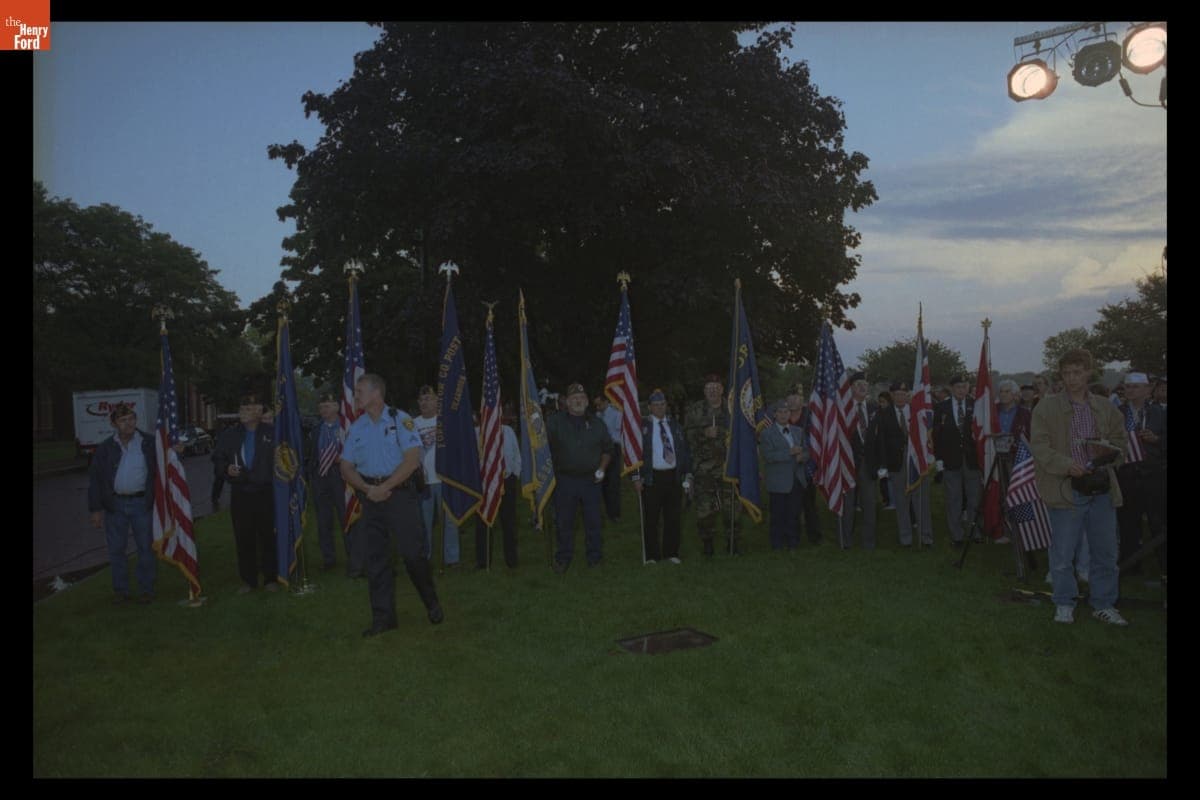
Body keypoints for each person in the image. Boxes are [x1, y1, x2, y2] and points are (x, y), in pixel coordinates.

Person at [1030, 349, 1129, 626]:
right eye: (1066, 373)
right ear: (1060, 375)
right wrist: (1066, 464)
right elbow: (1039, 446)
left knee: (1106, 551)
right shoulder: (1046, 408)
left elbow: (1122, 444)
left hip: (1100, 487)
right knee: (1063, 552)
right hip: (1067, 487)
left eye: (1077, 372)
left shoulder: (1105, 407)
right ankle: (1064, 602)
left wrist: (1107, 452)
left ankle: (1104, 603)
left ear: (1088, 372)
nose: (1072, 379)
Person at [340, 373, 443, 636]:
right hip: (370, 496)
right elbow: (346, 466)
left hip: (399, 496)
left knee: (412, 554)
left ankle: (431, 601)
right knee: (376, 559)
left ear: (376, 394)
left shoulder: (401, 419)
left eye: (360, 390)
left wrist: (384, 487)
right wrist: (367, 489)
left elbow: (411, 461)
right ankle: (384, 618)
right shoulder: (357, 427)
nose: (356, 396)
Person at [87, 403, 158, 604]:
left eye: (131, 419)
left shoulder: (149, 443)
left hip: (141, 503)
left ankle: (146, 589)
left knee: (145, 547)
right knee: (117, 549)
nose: (128, 424)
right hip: (115, 505)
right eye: (123, 420)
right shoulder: (105, 448)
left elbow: (167, 462)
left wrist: (177, 450)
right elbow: (96, 480)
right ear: (114, 424)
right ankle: (121, 591)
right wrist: (95, 509)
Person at [212, 393, 279, 594]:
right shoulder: (230, 434)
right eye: (242, 409)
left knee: (268, 536)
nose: (243, 413)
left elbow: (286, 459)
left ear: (259, 411)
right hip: (241, 493)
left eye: (249, 409)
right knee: (244, 537)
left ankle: (270, 578)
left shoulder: (273, 432)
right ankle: (249, 580)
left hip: (266, 492)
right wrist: (226, 470)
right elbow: (218, 459)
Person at [546, 382, 613, 572]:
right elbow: (542, 450)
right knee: (564, 522)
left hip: (591, 481)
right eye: (574, 398)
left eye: (582, 398)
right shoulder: (554, 422)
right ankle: (563, 558)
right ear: (567, 402)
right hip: (564, 480)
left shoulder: (598, 424)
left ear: (587, 402)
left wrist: (602, 468)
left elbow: (608, 450)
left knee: (594, 522)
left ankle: (595, 558)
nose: (578, 401)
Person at [1114, 372, 1167, 576]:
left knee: (1158, 522)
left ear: (1147, 390)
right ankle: (1130, 567)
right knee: (1128, 523)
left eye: (1136, 387)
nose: (1131, 390)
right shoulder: (1117, 413)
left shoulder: (1159, 413)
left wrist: (1156, 440)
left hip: (1153, 476)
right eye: (1127, 387)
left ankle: (1163, 565)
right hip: (1126, 476)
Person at [306, 392, 365, 576]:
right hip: (321, 477)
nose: (323, 410)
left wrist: (347, 459)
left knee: (346, 517)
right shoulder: (316, 429)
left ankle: (354, 558)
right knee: (324, 521)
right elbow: (310, 454)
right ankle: (328, 559)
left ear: (337, 407)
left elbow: (359, 450)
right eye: (321, 407)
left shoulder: (347, 426)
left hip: (341, 477)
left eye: (327, 406)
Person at [869, 381, 932, 547]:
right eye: (897, 394)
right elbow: (880, 441)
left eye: (903, 394)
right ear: (891, 396)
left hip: (917, 461)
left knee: (921, 500)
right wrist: (883, 465)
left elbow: (927, 435)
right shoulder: (883, 414)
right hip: (895, 463)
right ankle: (906, 537)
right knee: (901, 501)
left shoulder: (916, 412)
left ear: (908, 395)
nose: (900, 397)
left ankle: (925, 536)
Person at [632, 389, 692, 564]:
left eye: (662, 404)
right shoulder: (642, 427)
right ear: (649, 407)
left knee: (673, 517)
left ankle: (671, 552)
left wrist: (688, 474)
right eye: (656, 405)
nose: (659, 407)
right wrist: (636, 477)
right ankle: (651, 555)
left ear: (666, 405)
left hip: (673, 476)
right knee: (651, 518)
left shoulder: (675, 425)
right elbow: (634, 454)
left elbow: (685, 452)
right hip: (651, 477)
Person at [684, 374, 741, 555]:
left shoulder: (733, 409)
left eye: (716, 387)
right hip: (704, 469)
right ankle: (707, 542)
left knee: (731, 508)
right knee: (705, 509)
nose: (713, 391)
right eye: (709, 388)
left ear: (722, 389)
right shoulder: (695, 410)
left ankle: (733, 543)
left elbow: (742, 435)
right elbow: (687, 436)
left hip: (728, 467)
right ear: (705, 391)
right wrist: (703, 434)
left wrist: (722, 432)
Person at [413, 385, 459, 567]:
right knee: (423, 523)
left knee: (450, 522)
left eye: (428, 399)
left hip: (444, 479)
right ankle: (425, 556)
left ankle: (452, 558)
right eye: (422, 399)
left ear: (437, 401)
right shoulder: (412, 424)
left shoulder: (445, 422)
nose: (424, 402)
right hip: (423, 482)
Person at [932, 374, 982, 546]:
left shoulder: (975, 405)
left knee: (974, 498)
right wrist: (938, 460)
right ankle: (957, 534)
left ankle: (974, 531)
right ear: (952, 388)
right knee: (954, 498)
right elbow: (936, 435)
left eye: (965, 386)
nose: (962, 390)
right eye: (958, 387)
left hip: (972, 460)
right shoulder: (941, 407)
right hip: (950, 459)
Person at [474, 406, 522, 569]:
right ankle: (483, 561)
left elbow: (516, 455)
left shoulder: (508, 431)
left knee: (509, 521)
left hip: (506, 480)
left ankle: (512, 560)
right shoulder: (476, 433)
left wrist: (514, 474)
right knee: (483, 522)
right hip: (484, 483)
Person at [761, 399, 808, 551]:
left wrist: (803, 456)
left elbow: (808, 451)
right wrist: (790, 452)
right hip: (778, 481)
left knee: (794, 513)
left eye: (786, 412)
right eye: (779, 412)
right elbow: (768, 456)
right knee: (778, 514)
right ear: (774, 415)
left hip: (796, 479)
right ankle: (777, 543)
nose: (783, 415)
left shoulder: (798, 431)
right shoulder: (767, 433)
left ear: (790, 414)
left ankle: (793, 542)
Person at [840, 373, 877, 549]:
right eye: (858, 384)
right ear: (851, 388)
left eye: (865, 383)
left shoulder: (873, 408)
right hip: (848, 463)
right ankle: (846, 540)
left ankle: (868, 541)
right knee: (847, 505)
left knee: (869, 504)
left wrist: (881, 464)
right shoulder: (844, 410)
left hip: (869, 464)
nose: (863, 386)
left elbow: (881, 438)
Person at [786, 389, 823, 545]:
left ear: (803, 400)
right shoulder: (781, 416)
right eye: (791, 396)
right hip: (786, 468)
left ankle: (814, 537)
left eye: (797, 397)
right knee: (789, 506)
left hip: (806, 468)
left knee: (809, 505)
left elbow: (817, 443)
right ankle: (791, 538)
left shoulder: (810, 418)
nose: (794, 400)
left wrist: (808, 460)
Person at [595, 394, 623, 521]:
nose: (597, 407)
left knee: (613, 482)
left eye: (599, 404)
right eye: (596, 405)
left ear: (606, 401)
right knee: (604, 482)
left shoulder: (616, 413)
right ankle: (607, 511)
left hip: (613, 448)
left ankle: (615, 513)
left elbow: (617, 433)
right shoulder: (597, 415)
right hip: (601, 450)